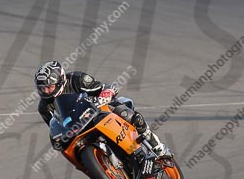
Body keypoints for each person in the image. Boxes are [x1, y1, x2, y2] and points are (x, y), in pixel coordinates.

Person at [34, 60, 171, 157]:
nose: (46, 91)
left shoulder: (78, 79)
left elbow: (102, 88)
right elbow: (55, 126)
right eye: (42, 88)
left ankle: (157, 146)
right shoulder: (44, 107)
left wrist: (105, 94)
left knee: (130, 116)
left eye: (49, 86)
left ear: (60, 81)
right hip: (77, 128)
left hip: (98, 109)